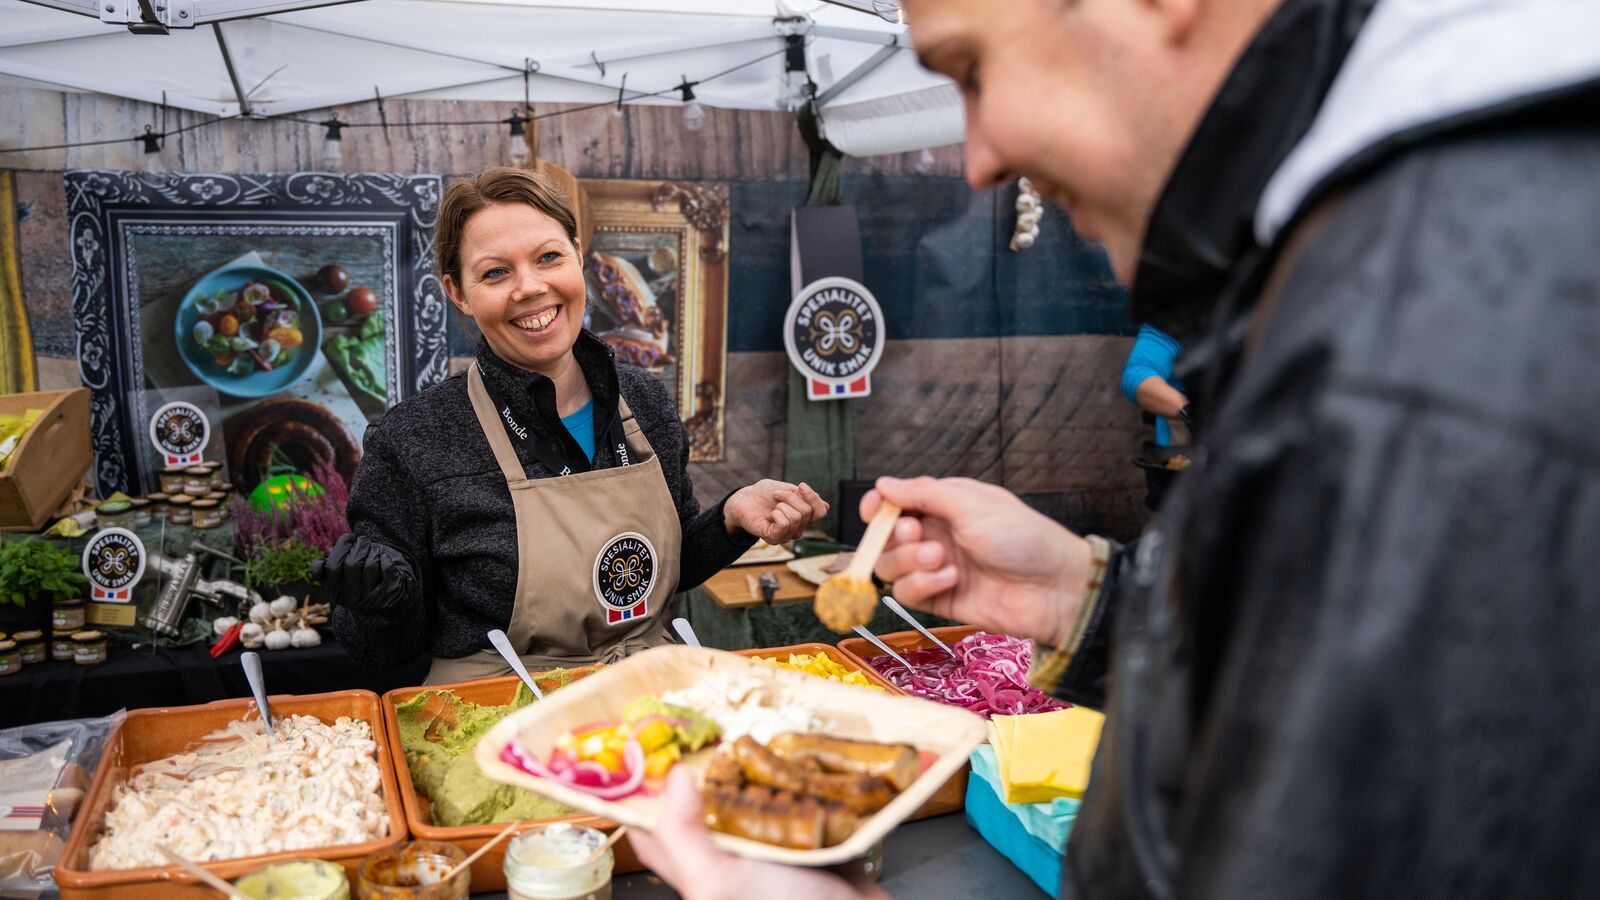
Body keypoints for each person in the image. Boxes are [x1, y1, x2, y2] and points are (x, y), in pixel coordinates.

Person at [630, 0, 1600, 897]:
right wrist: (1089, 600)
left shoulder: (1413, 348)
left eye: (973, 70)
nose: (976, 159)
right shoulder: (1426, 247)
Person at [321, 167, 827, 682]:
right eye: (496, 273)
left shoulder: (646, 399)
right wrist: (377, 604)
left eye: (548, 257)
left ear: (578, 256)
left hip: (649, 700)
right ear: (458, 293)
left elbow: (652, 575)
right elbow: (380, 657)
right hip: (496, 721)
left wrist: (729, 521)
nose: (531, 287)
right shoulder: (412, 441)